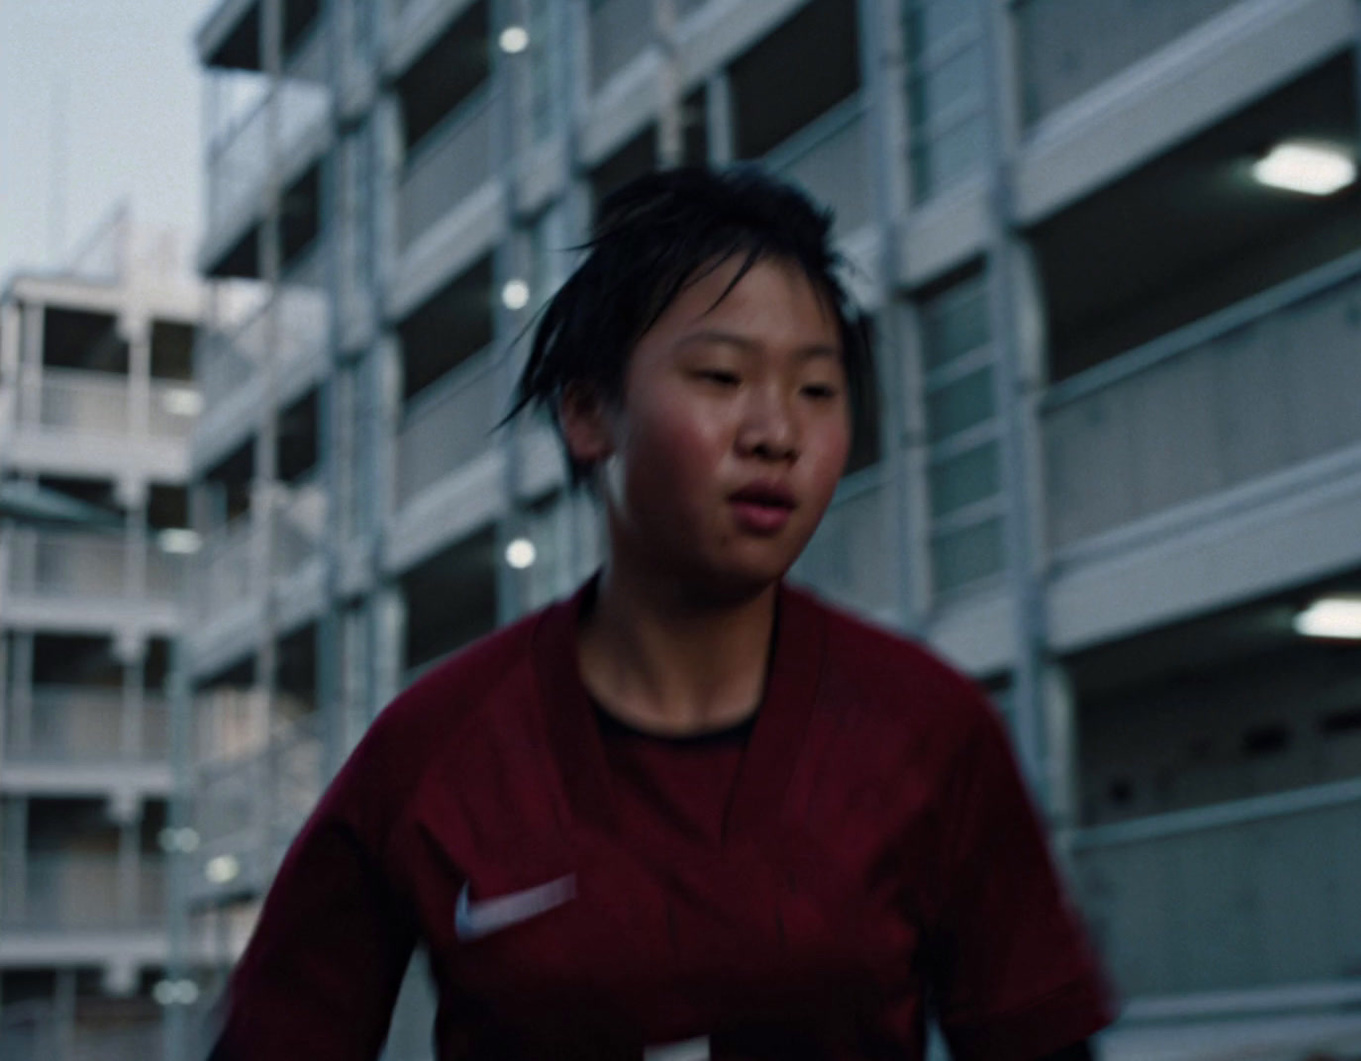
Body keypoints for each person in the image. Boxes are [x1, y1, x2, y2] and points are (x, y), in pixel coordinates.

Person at [207, 167, 1115, 1060]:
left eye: (817, 389)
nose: (776, 431)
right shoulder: (435, 751)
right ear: (588, 413)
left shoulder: (929, 731)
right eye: (722, 376)